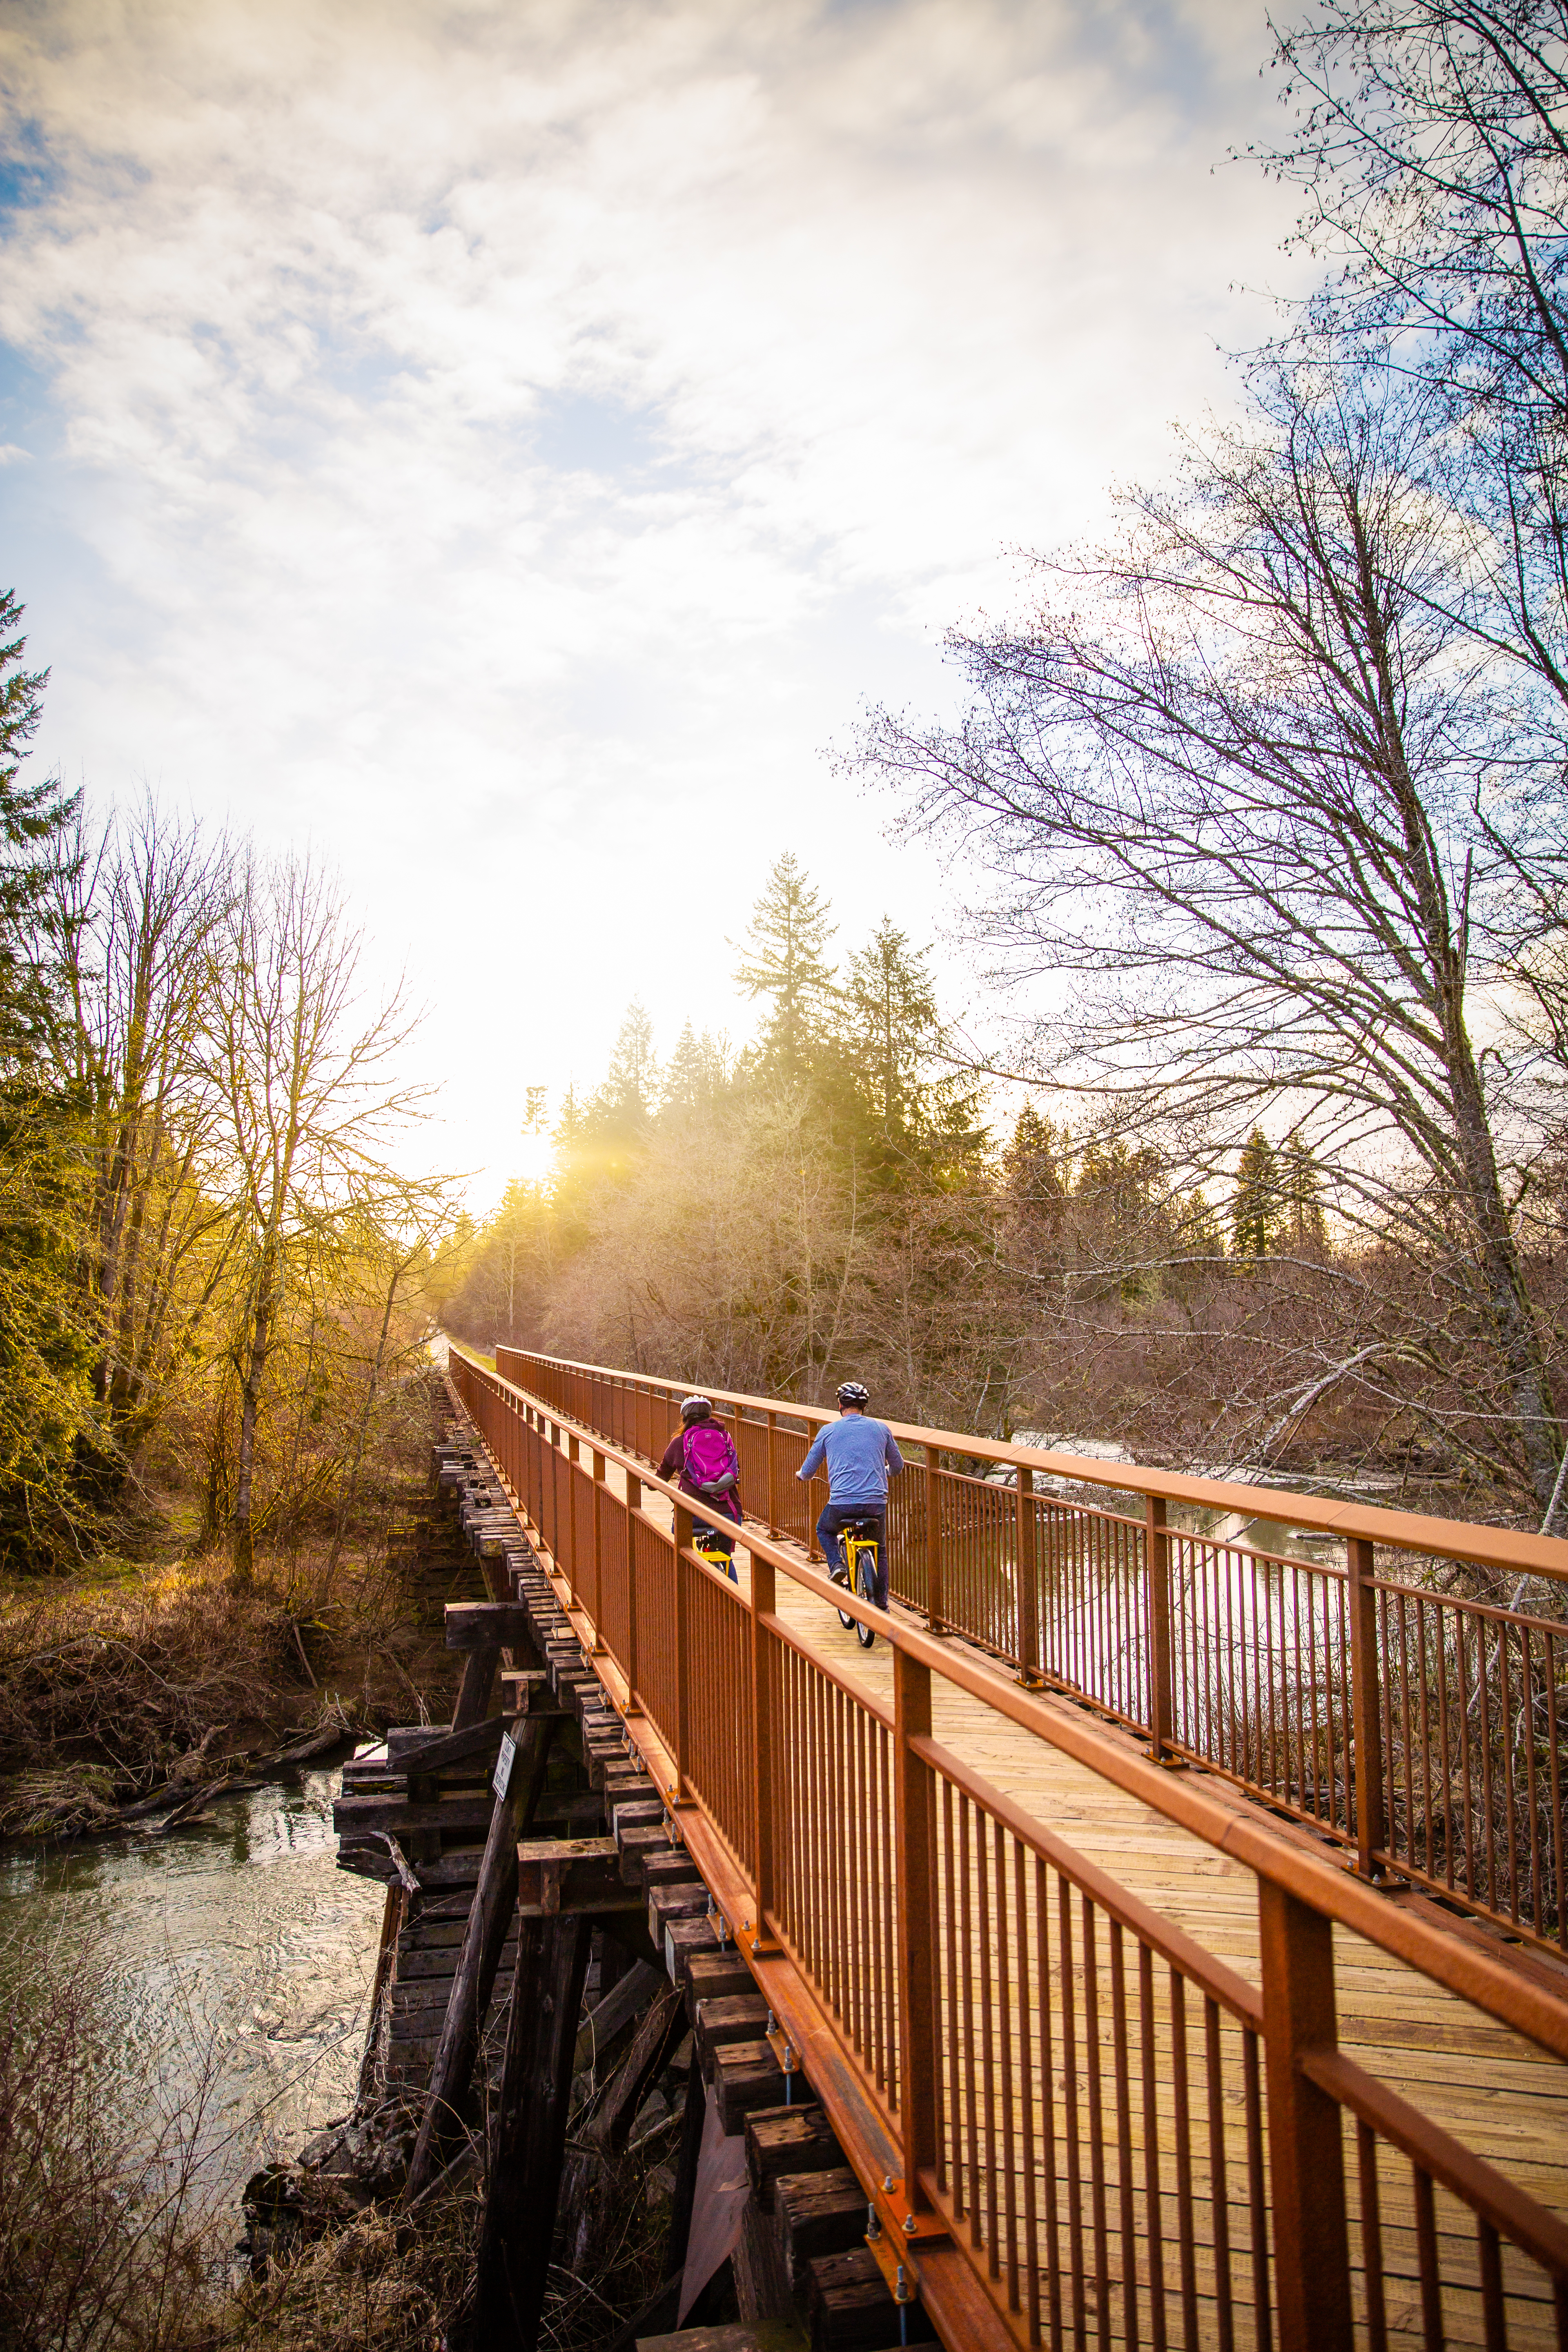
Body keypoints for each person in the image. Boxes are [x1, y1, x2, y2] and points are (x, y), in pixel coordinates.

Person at [797, 1380, 903, 1610]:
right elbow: (897, 1466)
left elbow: (808, 1470)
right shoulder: (881, 1429)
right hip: (876, 1503)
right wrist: (887, 1472)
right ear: (865, 1406)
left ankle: (836, 1564)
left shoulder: (828, 1431)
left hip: (842, 1504)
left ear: (839, 1405)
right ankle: (882, 1606)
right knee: (880, 1550)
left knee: (823, 1529)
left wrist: (802, 1476)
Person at [657, 1394, 742, 1581]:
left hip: (693, 1514)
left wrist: (652, 1484)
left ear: (685, 1418)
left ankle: (685, 1587)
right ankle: (736, 1599)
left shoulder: (680, 1442)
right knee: (724, 1556)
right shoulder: (725, 1437)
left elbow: (663, 1473)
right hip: (728, 1513)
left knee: (677, 1545)